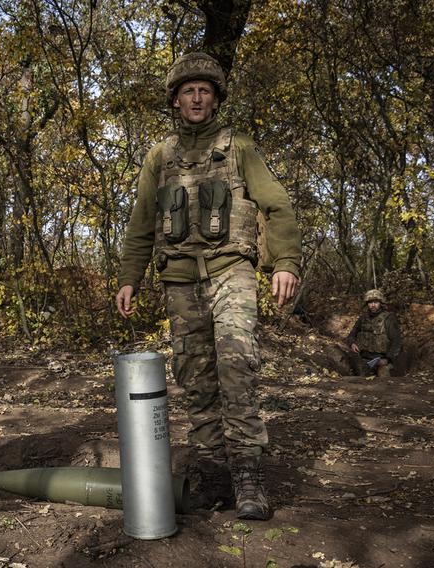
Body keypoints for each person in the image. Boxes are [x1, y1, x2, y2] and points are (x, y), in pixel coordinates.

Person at [114, 52, 303, 520]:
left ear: (215, 99)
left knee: (237, 371)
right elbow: (141, 223)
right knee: (196, 380)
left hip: (230, 271)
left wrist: (284, 262)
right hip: (179, 279)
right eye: (188, 91)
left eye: (205, 91)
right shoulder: (159, 157)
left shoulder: (239, 147)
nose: (196, 98)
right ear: (176, 100)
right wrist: (129, 278)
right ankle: (213, 476)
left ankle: (248, 477)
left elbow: (277, 206)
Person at [346, 289, 402, 378]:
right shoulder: (363, 318)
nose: (373, 305)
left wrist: (387, 359)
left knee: (383, 377)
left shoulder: (388, 318)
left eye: (375, 302)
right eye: (370, 302)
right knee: (360, 379)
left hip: (382, 360)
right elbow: (352, 334)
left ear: (381, 303)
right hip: (364, 359)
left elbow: (396, 341)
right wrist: (352, 343)